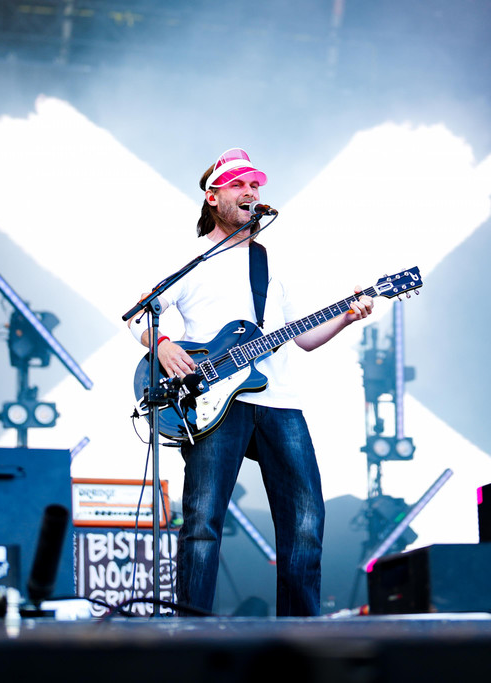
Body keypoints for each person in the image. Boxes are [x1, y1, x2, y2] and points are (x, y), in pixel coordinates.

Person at [129, 148, 374, 616]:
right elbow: (139, 315)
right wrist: (161, 345)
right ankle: (192, 630)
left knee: (305, 519)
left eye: (255, 185)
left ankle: (299, 634)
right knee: (202, 522)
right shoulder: (191, 259)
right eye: (239, 184)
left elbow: (302, 338)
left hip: (278, 400)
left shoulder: (269, 262)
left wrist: (347, 315)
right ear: (213, 197)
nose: (251, 192)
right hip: (209, 400)